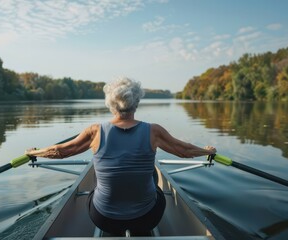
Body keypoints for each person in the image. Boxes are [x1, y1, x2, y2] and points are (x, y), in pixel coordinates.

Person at [26, 77, 216, 236]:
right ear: (137, 102)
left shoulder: (95, 131)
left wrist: (33, 152)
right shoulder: (154, 131)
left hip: (104, 219)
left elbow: (61, 151)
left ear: (110, 104)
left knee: (96, 180)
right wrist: (207, 151)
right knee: (153, 177)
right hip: (147, 218)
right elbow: (184, 150)